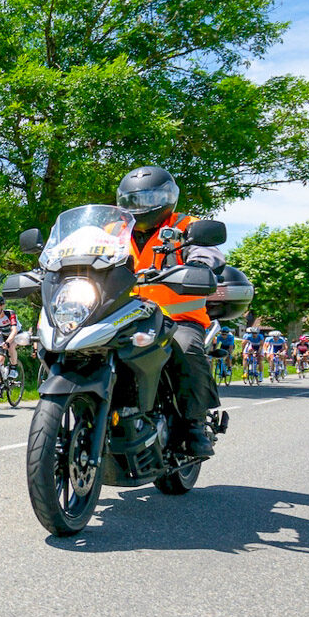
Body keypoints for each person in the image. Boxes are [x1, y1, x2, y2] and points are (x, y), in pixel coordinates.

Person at [119, 165, 225, 457]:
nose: (140, 206)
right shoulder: (113, 231)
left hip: (176, 319)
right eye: (133, 200)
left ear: (167, 198)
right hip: (120, 316)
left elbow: (208, 250)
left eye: (148, 198)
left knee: (185, 348)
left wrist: (200, 265)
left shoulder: (186, 225)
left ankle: (193, 424)